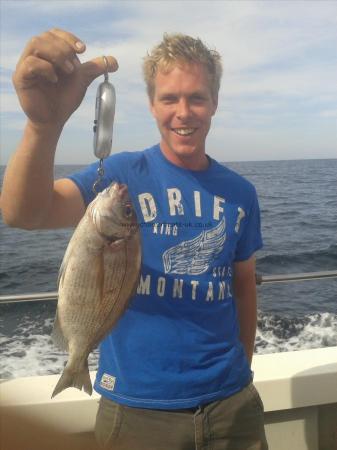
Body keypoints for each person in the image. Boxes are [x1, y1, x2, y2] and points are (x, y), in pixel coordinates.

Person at [2, 28, 268, 450]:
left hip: (232, 406)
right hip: (135, 411)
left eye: (197, 97)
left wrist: (244, 372)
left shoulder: (240, 193)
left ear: (214, 103)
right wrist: (42, 126)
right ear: (151, 105)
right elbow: (24, 213)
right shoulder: (120, 177)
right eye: (169, 99)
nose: (184, 112)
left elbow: (243, 288)